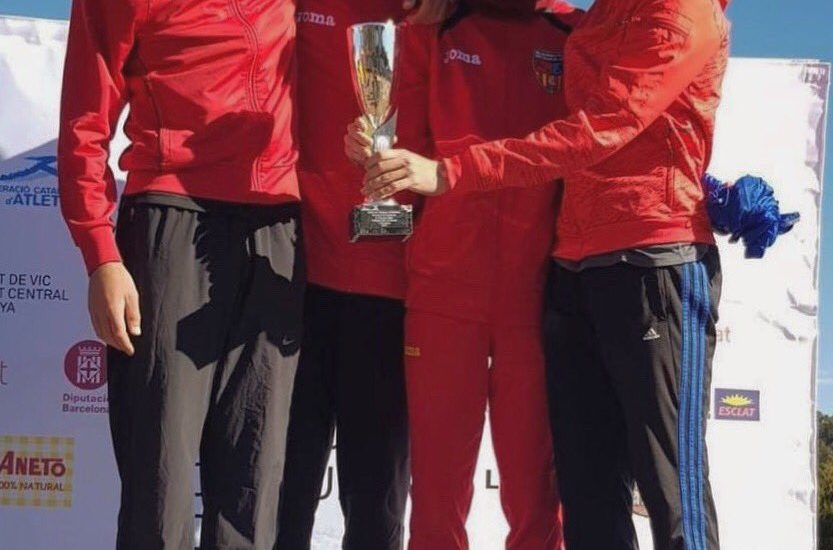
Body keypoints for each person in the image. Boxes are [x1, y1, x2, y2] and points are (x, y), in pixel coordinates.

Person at [356, 0, 733, 548]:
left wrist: (697, 188)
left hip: (569, 285)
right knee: (553, 491)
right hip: (503, 284)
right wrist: (370, 154)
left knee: (562, 497)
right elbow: (401, 144)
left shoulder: (584, 26)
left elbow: (611, 125)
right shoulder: (448, 23)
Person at [58, 0, 304, 548]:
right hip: (172, 222)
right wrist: (100, 253)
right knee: (160, 479)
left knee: (253, 480)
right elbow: (84, 121)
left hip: (278, 227)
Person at [345, 1, 583, 548]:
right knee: (437, 497)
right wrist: (371, 152)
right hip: (443, 296)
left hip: (536, 300)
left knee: (536, 497)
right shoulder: (435, 28)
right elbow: (400, 152)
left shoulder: (572, 33)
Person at [276, 2, 454, 550]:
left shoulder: (446, 19)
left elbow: (466, 148)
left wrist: (416, 169)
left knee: (376, 499)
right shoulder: (303, 8)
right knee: (281, 488)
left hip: (393, 292)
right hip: (296, 278)